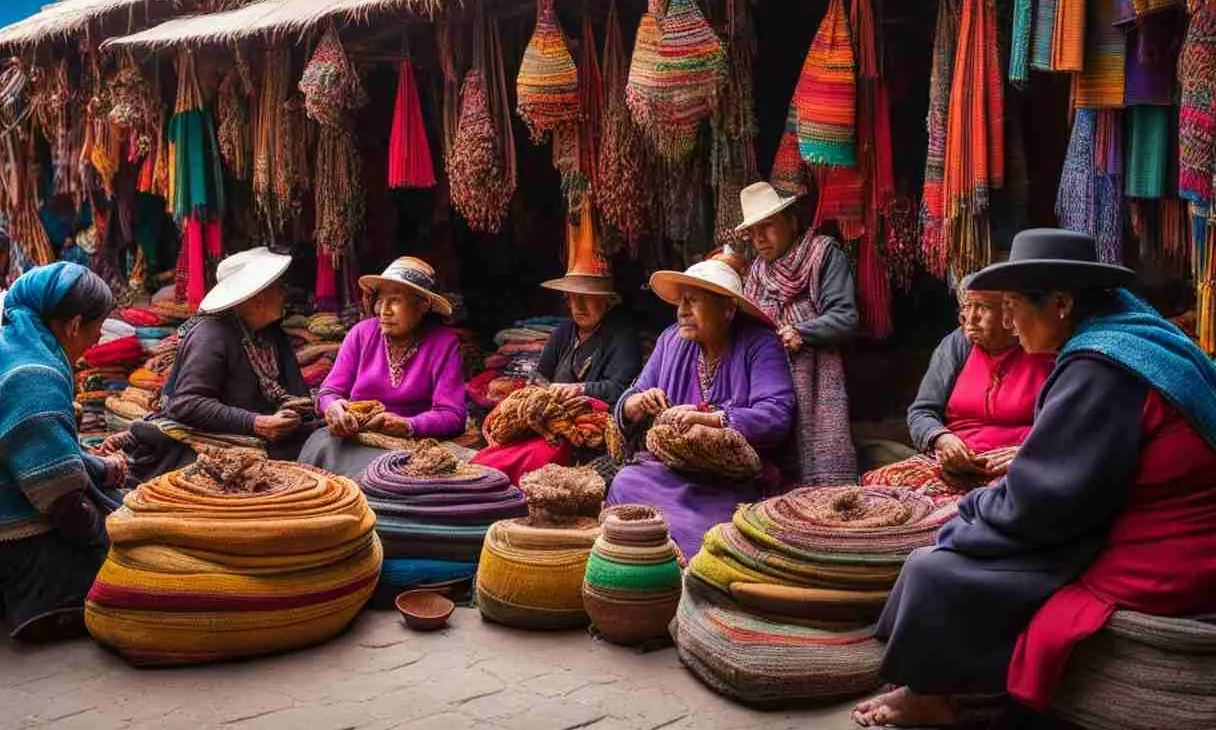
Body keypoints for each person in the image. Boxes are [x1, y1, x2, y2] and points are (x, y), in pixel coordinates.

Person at [853, 230, 1216, 727]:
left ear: (1062, 304)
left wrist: (968, 518)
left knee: (934, 568)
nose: (1005, 322)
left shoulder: (1099, 368)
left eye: (1013, 306)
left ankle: (934, 693)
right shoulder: (1133, 337)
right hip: (1143, 516)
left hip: (1171, 548)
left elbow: (1046, 503)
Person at [605, 259, 795, 558]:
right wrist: (636, 403)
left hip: (727, 479)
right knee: (627, 482)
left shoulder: (760, 344)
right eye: (681, 301)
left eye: (693, 301)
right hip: (668, 470)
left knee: (715, 529)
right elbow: (632, 396)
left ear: (728, 310)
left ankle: (687, 566)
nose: (682, 310)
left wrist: (714, 419)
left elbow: (777, 412)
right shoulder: (670, 340)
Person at [0, 262, 126, 642]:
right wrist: (114, 535)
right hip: (18, 545)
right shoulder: (35, 376)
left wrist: (102, 468)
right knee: (136, 559)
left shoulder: (10, 350)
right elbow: (64, 503)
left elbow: (27, 452)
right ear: (73, 325)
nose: (97, 341)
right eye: (97, 329)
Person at [111, 248, 314, 483]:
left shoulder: (272, 334)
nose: (284, 296)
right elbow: (186, 404)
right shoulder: (211, 335)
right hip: (208, 448)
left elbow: (299, 396)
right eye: (279, 289)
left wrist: (296, 413)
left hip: (262, 443)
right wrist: (255, 423)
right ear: (259, 298)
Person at [473, 225, 642, 485]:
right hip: (548, 422)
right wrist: (541, 399)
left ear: (607, 301)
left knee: (535, 464)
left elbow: (620, 388)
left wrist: (577, 389)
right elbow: (539, 379)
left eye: (588, 297)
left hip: (582, 432)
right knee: (489, 460)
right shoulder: (564, 332)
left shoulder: (621, 334)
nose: (580, 305)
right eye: (574, 297)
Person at [863, 276, 1055, 493]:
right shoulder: (957, 344)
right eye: (966, 306)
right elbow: (922, 411)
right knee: (883, 485)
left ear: (1010, 313)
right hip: (956, 465)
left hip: (1017, 462)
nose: (970, 318)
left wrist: (1027, 453)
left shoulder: (1040, 346)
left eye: (982, 307)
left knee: (1005, 499)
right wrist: (942, 439)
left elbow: (1061, 427)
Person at [299, 257, 466, 477]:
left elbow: (453, 415)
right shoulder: (361, 334)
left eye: (395, 300)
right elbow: (329, 392)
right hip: (354, 438)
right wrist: (333, 408)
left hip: (410, 445)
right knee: (318, 460)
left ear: (423, 305)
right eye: (381, 300)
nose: (383, 310)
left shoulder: (443, 344)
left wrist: (408, 425)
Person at [738, 182, 859, 486]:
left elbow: (845, 317)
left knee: (818, 475)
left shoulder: (823, 254)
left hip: (816, 381)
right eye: (752, 232)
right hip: (770, 380)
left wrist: (802, 331)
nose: (759, 238)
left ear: (792, 221)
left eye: (767, 227)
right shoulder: (757, 272)